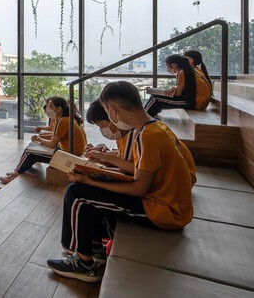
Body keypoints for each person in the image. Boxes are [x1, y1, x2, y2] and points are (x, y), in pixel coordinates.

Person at [47, 81, 194, 283]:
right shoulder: (155, 127)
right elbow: (140, 170)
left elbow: (139, 188)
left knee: (78, 193)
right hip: (170, 204)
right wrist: (102, 167)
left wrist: (91, 181)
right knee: (85, 189)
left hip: (163, 211)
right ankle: (93, 248)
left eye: (108, 113)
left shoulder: (147, 135)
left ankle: (82, 262)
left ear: (113, 110)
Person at [0, 97, 87, 184]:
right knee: (32, 148)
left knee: (30, 153)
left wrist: (38, 139)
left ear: (59, 109)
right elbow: (56, 136)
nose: (48, 109)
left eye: (51, 107)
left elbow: (52, 144)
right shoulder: (67, 118)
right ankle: (19, 169)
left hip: (70, 155)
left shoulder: (63, 121)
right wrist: (40, 139)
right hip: (70, 151)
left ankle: (14, 175)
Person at [84, 99, 135, 174]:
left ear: (112, 116)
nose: (102, 130)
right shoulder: (121, 135)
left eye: (102, 126)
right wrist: (102, 156)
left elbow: (124, 171)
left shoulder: (131, 135)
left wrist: (103, 158)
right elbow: (121, 157)